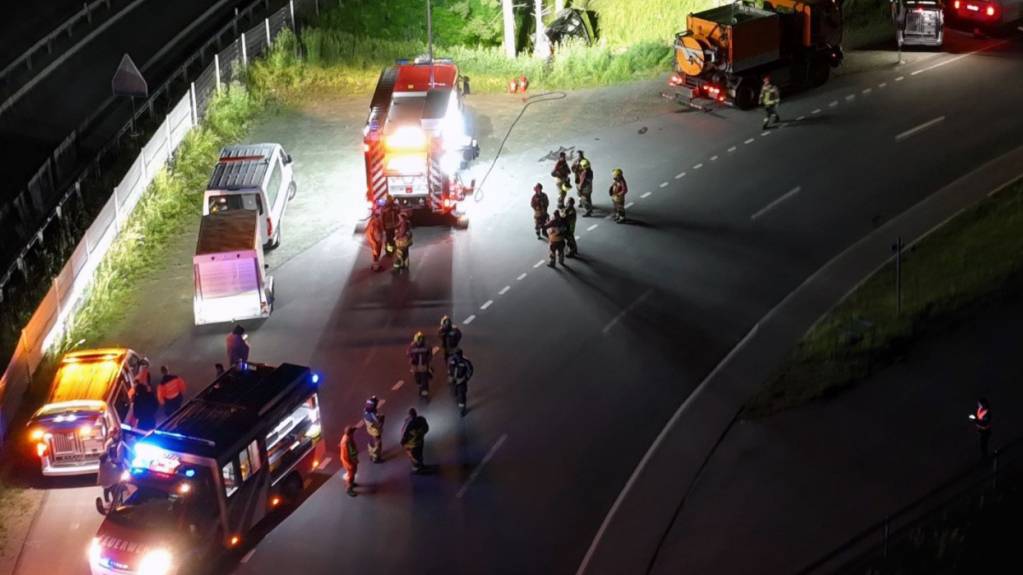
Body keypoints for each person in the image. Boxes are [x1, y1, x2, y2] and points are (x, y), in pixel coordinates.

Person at [97, 439, 127, 507]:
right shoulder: (108, 464)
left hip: (104, 482)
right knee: (114, 490)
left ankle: (107, 501)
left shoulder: (101, 464)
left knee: (106, 491)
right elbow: (114, 468)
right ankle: (115, 502)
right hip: (110, 482)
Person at [400, 408, 430, 473]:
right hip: (418, 442)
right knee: (418, 454)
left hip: (411, 443)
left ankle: (417, 467)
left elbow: (403, 433)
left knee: (414, 455)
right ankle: (419, 467)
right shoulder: (421, 419)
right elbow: (426, 429)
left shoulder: (407, 422)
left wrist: (403, 442)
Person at [448, 349, 474, 416]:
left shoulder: (465, 362)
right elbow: (449, 369)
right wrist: (450, 376)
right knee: (454, 393)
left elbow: (470, 370)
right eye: (455, 355)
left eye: (457, 355)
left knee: (461, 395)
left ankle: (462, 409)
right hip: (453, 381)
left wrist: (466, 378)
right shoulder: (452, 361)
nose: (456, 356)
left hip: (461, 381)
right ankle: (458, 402)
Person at [408, 331, 433, 398]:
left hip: (423, 365)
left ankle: (425, 390)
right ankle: (420, 386)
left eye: (421, 339)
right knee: (417, 378)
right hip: (415, 366)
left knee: (424, 378)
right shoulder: (412, 346)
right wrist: (411, 360)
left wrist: (427, 361)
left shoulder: (427, 345)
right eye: (418, 339)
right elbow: (408, 354)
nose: (420, 341)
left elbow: (430, 354)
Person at [363, 397, 385, 463]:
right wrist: (382, 418)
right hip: (375, 431)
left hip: (369, 429)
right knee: (378, 443)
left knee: (371, 441)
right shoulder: (372, 414)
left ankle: (371, 454)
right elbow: (378, 422)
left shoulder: (365, 410)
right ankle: (376, 457)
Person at [339, 426, 359, 497]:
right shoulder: (346, 442)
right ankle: (349, 489)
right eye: (353, 432)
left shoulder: (347, 437)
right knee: (350, 475)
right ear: (350, 433)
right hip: (349, 462)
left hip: (351, 461)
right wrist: (350, 464)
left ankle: (352, 484)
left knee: (352, 474)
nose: (353, 434)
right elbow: (346, 455)